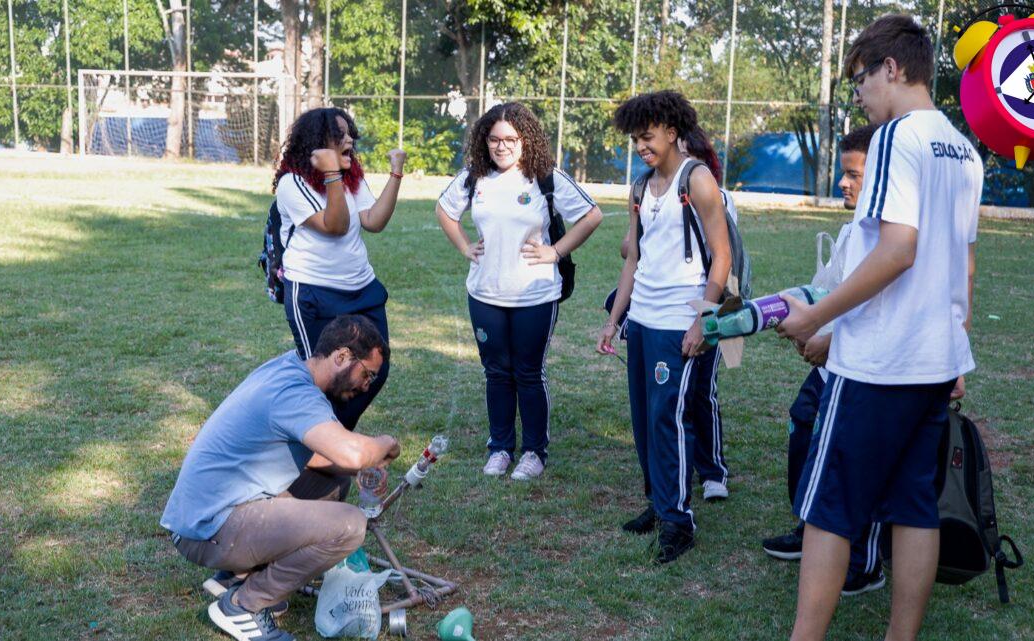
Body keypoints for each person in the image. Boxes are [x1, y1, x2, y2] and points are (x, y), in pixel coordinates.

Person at [776, 15, 981, 640]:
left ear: (892, 68)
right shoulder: (964, 147)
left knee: (829, 512)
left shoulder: (897, 139)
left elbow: (898, 250)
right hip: (934, 360)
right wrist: (957, 342)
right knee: (914, 508)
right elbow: (964, 259)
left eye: (861, 78)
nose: (859, 93)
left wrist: (818, 313)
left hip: (879, 361)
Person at [161, 315, 401, 641]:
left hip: (207, 515)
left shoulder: (289, 368)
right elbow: (353, 453)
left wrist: (356, 467)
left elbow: (322, 457)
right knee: (349, 524)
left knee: (333, 483)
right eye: (367, 374)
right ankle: (243, 606)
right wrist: (385, 444)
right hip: (206, 530)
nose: (366, 385)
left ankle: (237, 576)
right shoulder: (296, 395)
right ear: (342, 357)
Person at [597, 90, 732, 563]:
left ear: (672, 132)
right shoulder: (639, 187)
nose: (641, 146)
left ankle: (678, 522)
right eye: (635, 138)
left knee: (668, 417)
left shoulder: (697, 180)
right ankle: (658, 503)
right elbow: (633, 257)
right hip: (644, 319)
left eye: (648, 136)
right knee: (643, 418)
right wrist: (614, 321)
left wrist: (704, 318)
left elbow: (722, 255)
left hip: (681, 319)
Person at [437, 102, 603, 481]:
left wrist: (556, 251)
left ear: (526, 140)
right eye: (494, 139)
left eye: (510, 139)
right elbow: (445, 211)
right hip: (485, 295)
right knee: (495, 372)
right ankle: (499, 448)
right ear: (484, 141)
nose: (502, 147)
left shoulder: (546, 178)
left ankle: (534, 451)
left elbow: (591, 215)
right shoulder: (473, 177)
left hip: (535, 295)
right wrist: (465, 247)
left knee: (528, 373)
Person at [761, 124, 889, 597]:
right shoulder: (852, 227)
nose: (842, 182)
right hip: (832, 360)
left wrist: (828, 342)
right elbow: (829, 291)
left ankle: (865, 561)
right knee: (803, 422)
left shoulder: (890, 237)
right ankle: (810, 523)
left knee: (862, 457)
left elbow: (879, 309)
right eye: (843, 173)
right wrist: (789, 314)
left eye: (853, 174)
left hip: (864, 367)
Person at [274, 107, 406, 431]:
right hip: (314, 294)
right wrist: (332, 174)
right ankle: (320, 449)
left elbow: (373, 220)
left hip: (362, 289)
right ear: (318, 143)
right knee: (325, 378)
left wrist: (396, 173)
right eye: (340, 135)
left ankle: (335, 438)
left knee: (376, 366)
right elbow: (335, 225)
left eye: (350, 134)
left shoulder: (351, 177)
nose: (350, 140)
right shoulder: (293, 183)